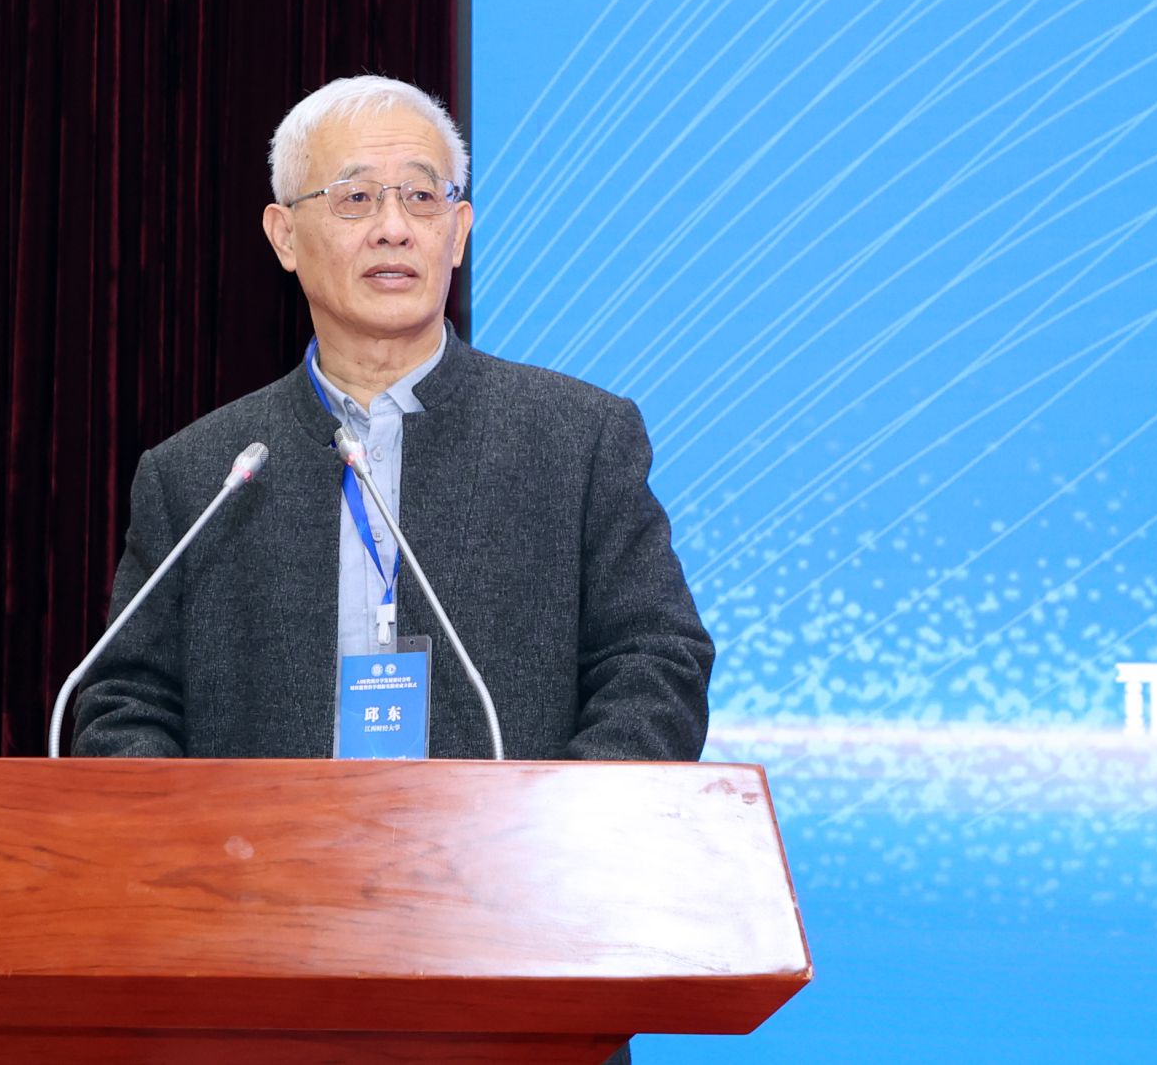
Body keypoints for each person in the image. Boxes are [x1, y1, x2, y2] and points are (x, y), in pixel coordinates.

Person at [70, 74, 713, 762]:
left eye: (422, 197)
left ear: (457, 233)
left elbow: (656, 663)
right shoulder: (201, 474)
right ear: (285, 236)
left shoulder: (579, 439)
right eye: (355, 198)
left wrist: (549, 819)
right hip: (264, 836)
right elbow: (123, 703)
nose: (394, 228)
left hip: (511, 836)